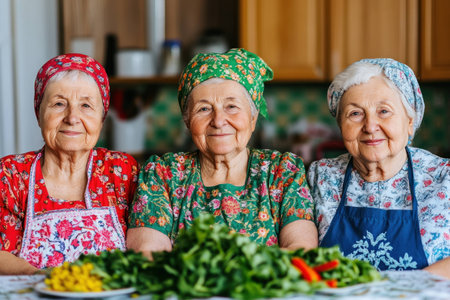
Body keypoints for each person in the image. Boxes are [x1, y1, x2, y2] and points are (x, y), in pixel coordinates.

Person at [127, 48, 317, 257]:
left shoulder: (282, 171)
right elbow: (149, 257)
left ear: (253, 119)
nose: (218, 121)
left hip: (264, 289)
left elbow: (301, 252)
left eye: (232, 107)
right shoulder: (163, 174)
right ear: (188, 121)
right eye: (204, 109)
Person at [307, 58, 449, 277]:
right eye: (355, 114)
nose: (370, 127)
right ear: (340, 125)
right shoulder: (320, 177)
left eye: (384, 111)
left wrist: (399, 289)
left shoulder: (445, 178)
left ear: (410, 122)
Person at [0, 54, 139, 274]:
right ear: (39, 114)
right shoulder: (11, 174)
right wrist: (47, 280)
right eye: (58, 104)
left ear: (101, 118)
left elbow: (144, 247)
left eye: (86, 105)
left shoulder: (120, 171)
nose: (72, 117)